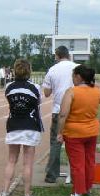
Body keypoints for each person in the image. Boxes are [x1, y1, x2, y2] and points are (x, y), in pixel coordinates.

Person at [56, 65, 100, 196]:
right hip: (91, 132)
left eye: (73, 77)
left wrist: (60, 132)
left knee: (77, 164)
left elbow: (63, 114)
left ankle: (77, 193)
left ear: (78, 77)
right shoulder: (97, 91)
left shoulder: (71, 92)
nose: (72, 79)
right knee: (89, 162)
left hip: (74, 133)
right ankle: (87, 188)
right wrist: (99, 120)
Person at [0, 59, 44, 196]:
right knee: (27, 164)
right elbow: (38, 102)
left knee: (11, 160)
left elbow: (10, 101)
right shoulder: (35, 87)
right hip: (30, 126)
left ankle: (4, 193)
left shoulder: (8, 86)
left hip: (13, 125)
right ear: (29, 71)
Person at [42, 46, 78, 183]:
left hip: (58, 110)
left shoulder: (52, 70)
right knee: (75, 144)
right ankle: (75, 175)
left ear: (57, 56)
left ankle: (51, 174)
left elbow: (46, 93)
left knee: (55, 142)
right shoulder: (78, 67)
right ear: (68, 55)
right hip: (75, 111)